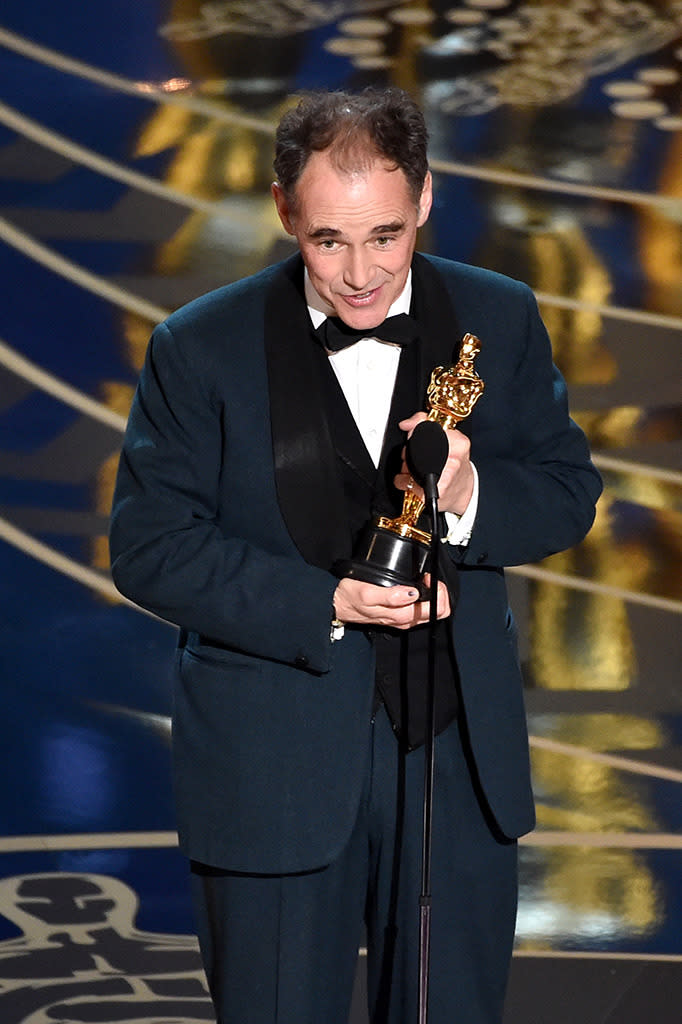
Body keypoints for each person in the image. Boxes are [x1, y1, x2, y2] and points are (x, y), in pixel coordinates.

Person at [109, 88, 602, 1024]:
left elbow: (567, 491)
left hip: (455, 764)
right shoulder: (197, 347)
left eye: (385, 235)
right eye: (329, 240)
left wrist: (465, 499)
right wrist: (324, 601)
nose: (362, 273)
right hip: (271, 766)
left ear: (425, 198)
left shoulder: (499, 315)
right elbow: (149, 547)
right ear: (285, 210)